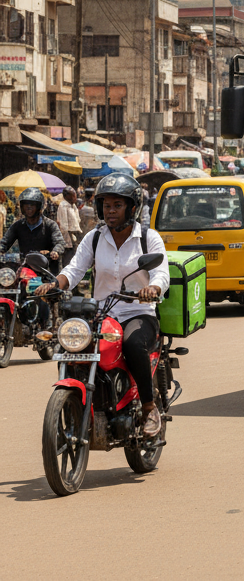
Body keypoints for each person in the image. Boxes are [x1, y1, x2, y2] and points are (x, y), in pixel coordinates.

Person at [37, 174, 168, 438]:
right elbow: (75, 269)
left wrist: (152, 289)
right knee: (72, 343)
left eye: (117, 205)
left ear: (132, 208)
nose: (110, 211)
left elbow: (161, 274)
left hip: (137, 313)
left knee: (132, 344)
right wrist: (56, 284)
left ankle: (149, 407)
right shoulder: (95, 238)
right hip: (103, 314)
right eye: (106, 205)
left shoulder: (148, 237)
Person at [0, 187, 65, 262]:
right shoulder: (18, 225)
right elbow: (4, 242)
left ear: (39, 206)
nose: (28, 207)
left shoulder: (50, 225)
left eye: (32, 205)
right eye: (26, 205)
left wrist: (55, 251)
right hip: (25, 267)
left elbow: (60, 243)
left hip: (47, 268)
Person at [56, 186, 83, 269]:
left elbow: (77, 220)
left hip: (75, 235)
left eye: (75, 195)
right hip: (68, 236)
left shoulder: (73, 206)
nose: (75, 197)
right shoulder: (63, 205)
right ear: (67, 196)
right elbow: (64, 225)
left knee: (75, 256)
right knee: (68, 257)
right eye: (73, 195)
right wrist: (69, 236)